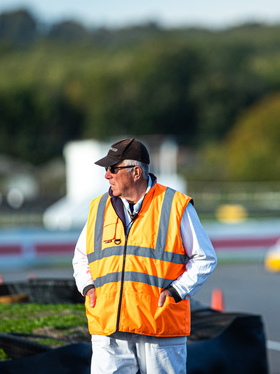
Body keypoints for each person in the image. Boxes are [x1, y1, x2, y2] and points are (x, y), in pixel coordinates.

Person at [72, 137, 217, 374]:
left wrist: (176, 291)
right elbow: (81, 257)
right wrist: (88, 287)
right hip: (108, 328)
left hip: (158, 328)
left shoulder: (175, 205)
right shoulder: (98, 207)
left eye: (112, 169)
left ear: (136, 172)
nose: (107, 175)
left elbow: (205, 258)